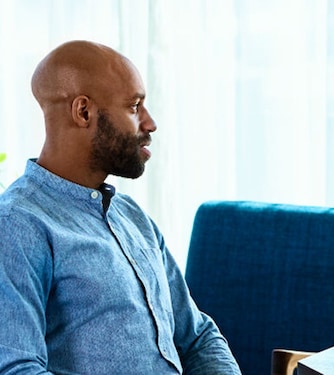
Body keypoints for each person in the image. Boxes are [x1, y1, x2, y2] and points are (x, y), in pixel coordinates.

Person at [0, 41, 242, 374]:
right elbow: (16, 368)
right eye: (134, 106)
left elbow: (198, 337)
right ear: (83, 112)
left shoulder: (132, 216)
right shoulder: (17, 225)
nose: (150, 123)